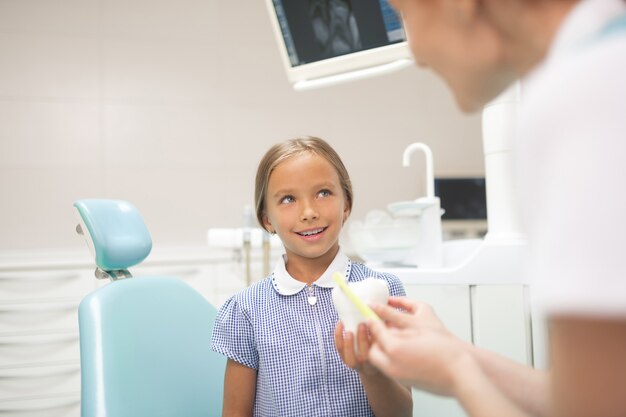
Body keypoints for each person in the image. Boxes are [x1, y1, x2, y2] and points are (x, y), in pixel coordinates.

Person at [366, 0, 626, 416]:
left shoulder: (585, 95)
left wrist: (456, 372)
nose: (413, 52)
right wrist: (456, 353)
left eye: (402, 14)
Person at [211, 136, 412, 417]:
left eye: (323, 193)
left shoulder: (383, 292)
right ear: (267, 218)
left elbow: (401, 414)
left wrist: (371, 370)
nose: (309, 212)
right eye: (288, 199)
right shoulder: (246, 310)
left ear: (346, 204)